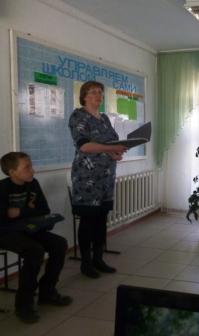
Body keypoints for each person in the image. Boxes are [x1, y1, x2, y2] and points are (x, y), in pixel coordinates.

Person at [0, 152, 72, 324]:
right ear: (12, 172)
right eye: (27, 167)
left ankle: (47, 292)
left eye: (31, 166)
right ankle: (23, 305)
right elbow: (2, 219)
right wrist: (19, 217)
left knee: (59, 244)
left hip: (28, 229)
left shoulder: (33, 184)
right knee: (35, 251)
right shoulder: (2, 188)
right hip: (5, 232)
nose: (32, 170)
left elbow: (44, 210)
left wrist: (19, 212)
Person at [68, 81, 127, 279]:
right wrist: (111, 149)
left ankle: (98, 259)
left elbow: (111, 144)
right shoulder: (78, 116)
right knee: (88, 220)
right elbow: (84, 146)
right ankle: (86, 263)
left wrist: (115, 153)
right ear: (84, 96)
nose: (98, 96)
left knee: (101, 218)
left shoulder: (104, 119)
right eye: (93, 92)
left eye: (100, 93)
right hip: (86, 177)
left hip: (106, 177)